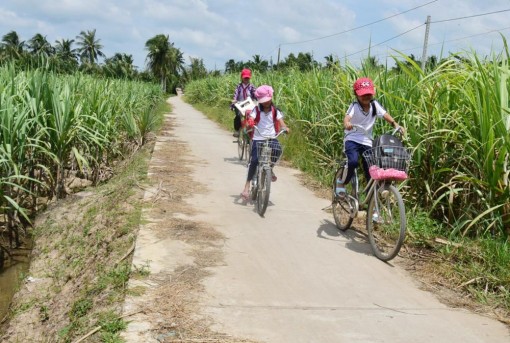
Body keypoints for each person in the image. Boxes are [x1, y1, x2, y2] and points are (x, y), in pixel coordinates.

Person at [337, 77, 404, 198]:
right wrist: (347, 124)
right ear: (356, 95)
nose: (367, 97)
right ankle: (342, 182)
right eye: (363, 95)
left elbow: (385, 115)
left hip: (367, 140)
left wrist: (395, 124)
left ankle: (370, 201)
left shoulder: (374, 105)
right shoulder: (354, 106)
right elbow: (347, 117)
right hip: (352, 138)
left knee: (372, 169)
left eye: (369, 94)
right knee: (352, 161)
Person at [240, 85, 289, 200]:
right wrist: (250, 123)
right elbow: (249, 121)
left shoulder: (275, 111)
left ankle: (270, 168)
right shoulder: (256, 110)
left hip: (271, 137)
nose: (266, 103)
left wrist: (285, 128)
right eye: (263, 101)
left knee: (278, 150)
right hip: (258, 138)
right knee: (254, 161)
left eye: (268, 100)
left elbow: (282, 123)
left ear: (271, 98)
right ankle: (247, 186)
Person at [230, 68, 257, 137]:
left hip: (249, 105)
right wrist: (234, 101)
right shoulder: (239, 86)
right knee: (238, 116)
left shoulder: (251, 87)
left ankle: (250, 131)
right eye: (245, 78)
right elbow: (235, 95)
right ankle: (237, 130)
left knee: (251, 117)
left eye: (248, 78)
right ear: (242, 77)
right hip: (240, 104)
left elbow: (255, 95)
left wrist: (257, 100)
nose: (246, 79)